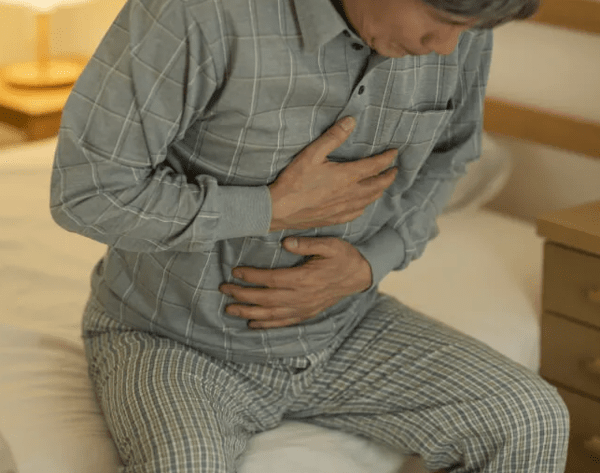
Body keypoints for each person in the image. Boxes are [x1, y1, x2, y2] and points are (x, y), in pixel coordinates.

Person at [50, 0, 569, 471]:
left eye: (469, 29)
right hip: (171, 339)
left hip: (343, 328)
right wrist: (269, 209)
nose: (449, 47)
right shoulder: (197, 13)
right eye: (446, 23)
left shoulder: (461, 28)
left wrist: (368, 264)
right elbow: (87, 193)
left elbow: (449, 158)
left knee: (531, 418)